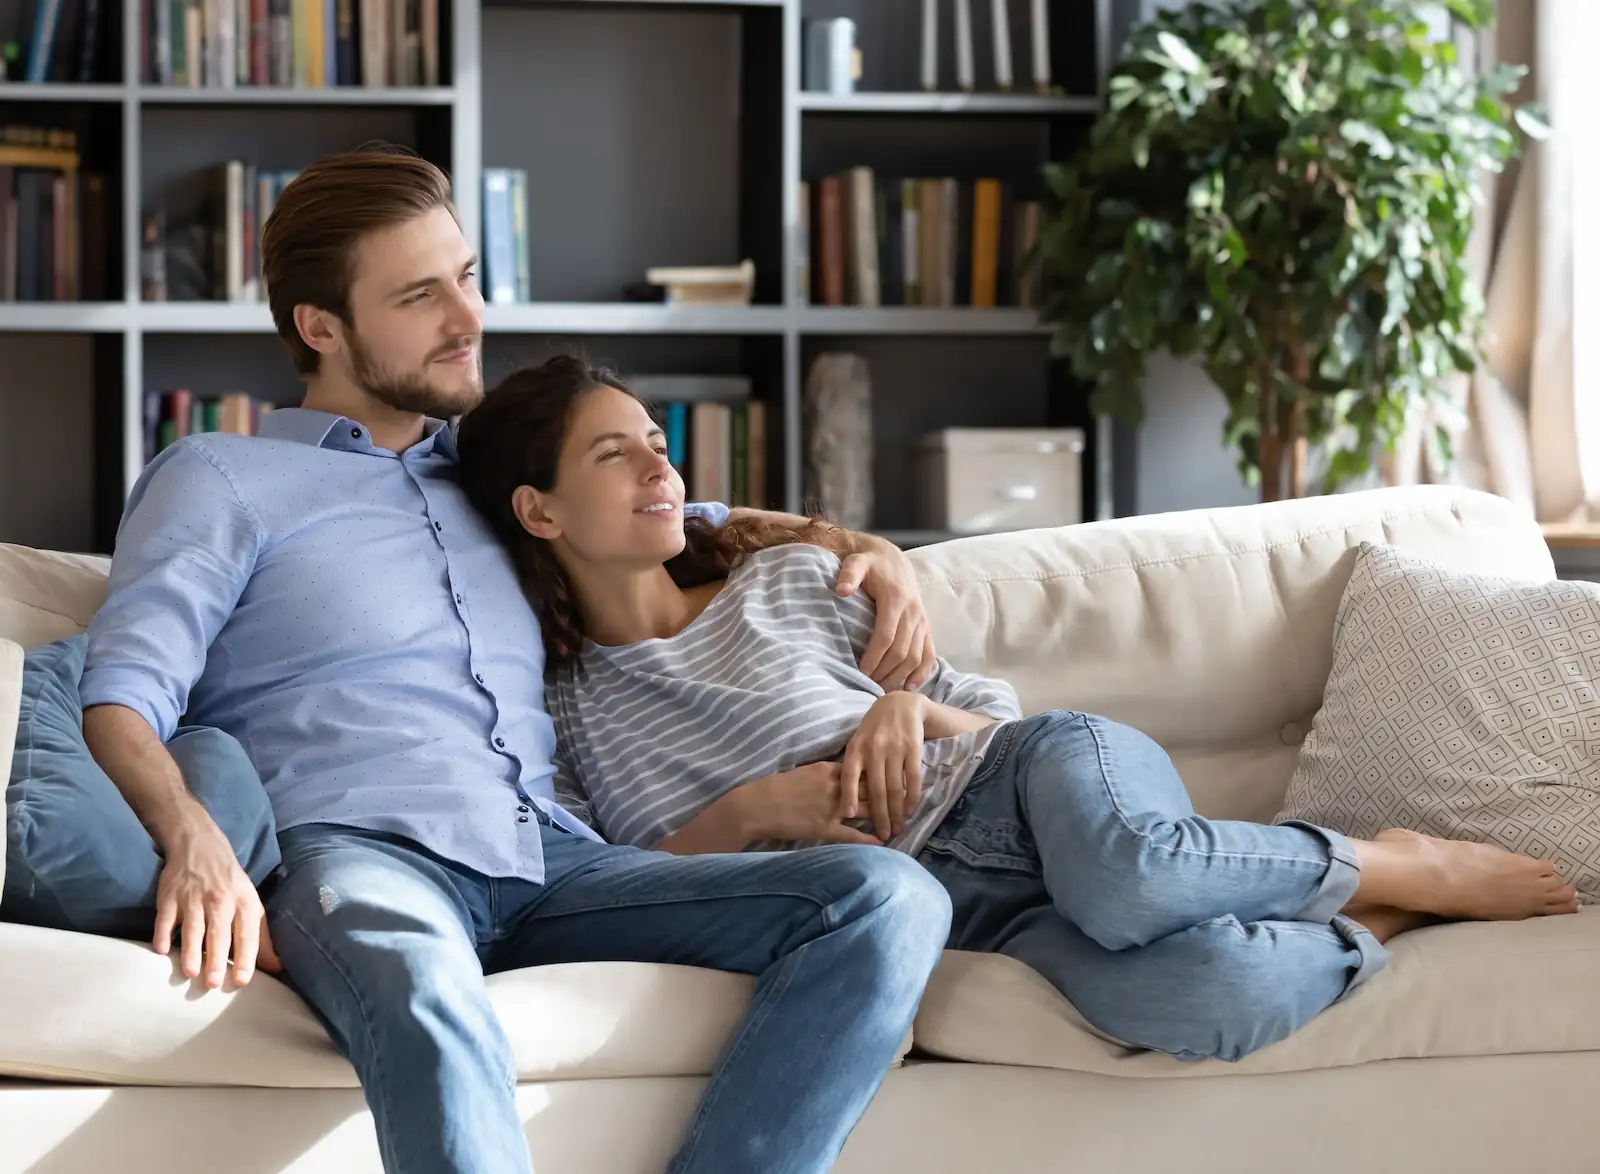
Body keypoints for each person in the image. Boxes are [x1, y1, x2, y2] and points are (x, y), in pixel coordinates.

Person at [78, 144, 957, 1174]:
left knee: (886, 900)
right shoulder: (222, 478)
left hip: (552, 861)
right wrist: (194, 838)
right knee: (424, 988)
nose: (469, 319)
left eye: (468, 278)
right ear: (321, 326)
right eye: (420, 296)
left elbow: (689, 515)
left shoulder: (500, 475)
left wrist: (871, 552)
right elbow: (121, 696)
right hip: (359, 859)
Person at [455, 357, 1584, 1065]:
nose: (662, 469)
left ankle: (1390, 865)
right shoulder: (554, 708)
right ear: (536, 509)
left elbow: (1000, 719)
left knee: (1128, 869)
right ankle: (1374, 912)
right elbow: (609, 878)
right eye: (617, 455)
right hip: (962, 906)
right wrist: (754, 809)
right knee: (1203, 996)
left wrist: (898, 708)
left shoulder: (794, 580)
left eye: (658, 442)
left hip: (1037, 788)